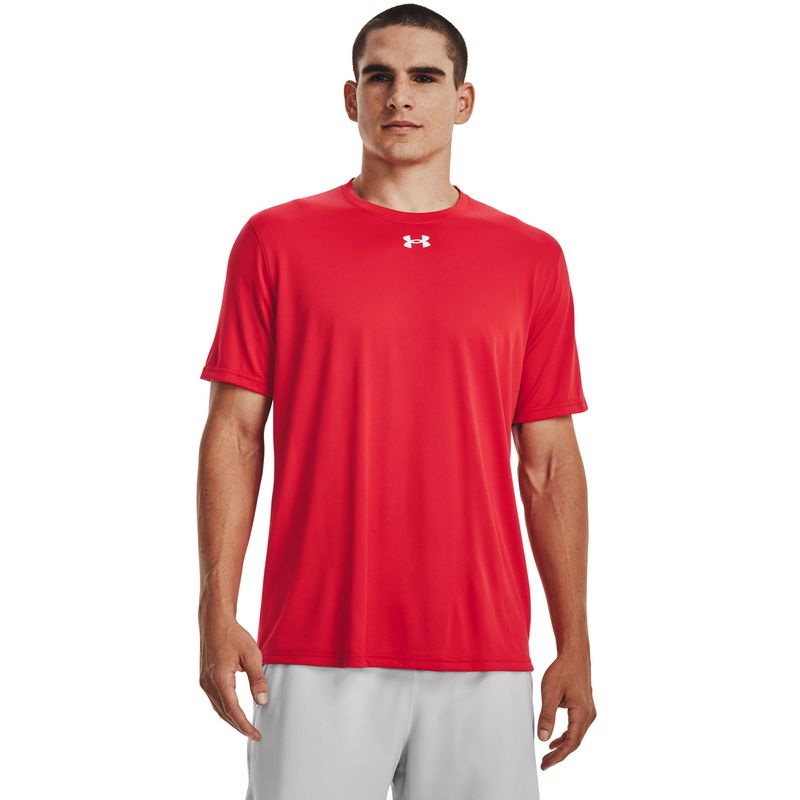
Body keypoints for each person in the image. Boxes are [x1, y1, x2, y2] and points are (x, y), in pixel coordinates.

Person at [197, 4, 596, 798]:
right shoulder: (275, 241)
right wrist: (215, 607)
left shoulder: (530, 258)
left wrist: (574, 640)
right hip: (315, 646)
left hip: (483, 652)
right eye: (378, 76)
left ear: (463, 100)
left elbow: (548, 464)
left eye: (424, 77)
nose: (399, 96)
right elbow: (235, 433)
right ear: (352, 98)